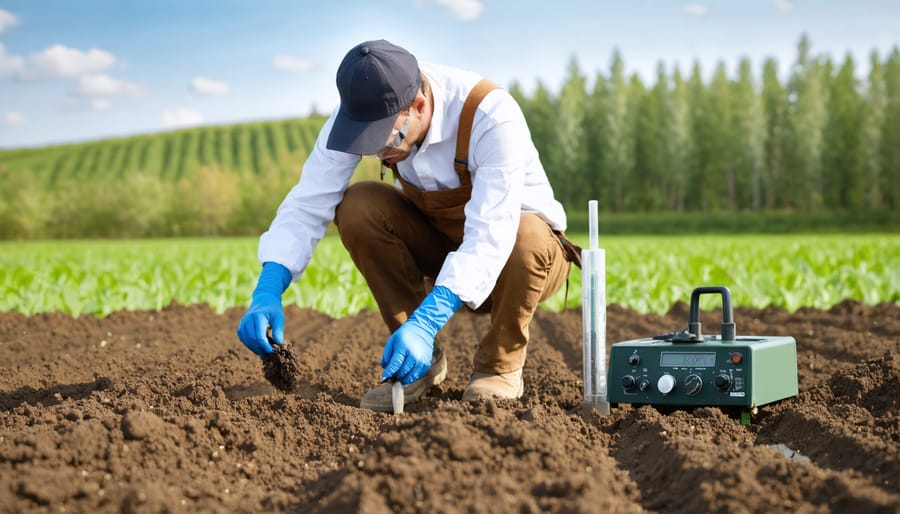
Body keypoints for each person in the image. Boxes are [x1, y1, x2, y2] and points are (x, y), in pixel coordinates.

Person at [236, 39, 579, 412]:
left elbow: (491, 233)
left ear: (418, 105)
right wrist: (269, 284)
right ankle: (419, 361)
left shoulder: (491, 116)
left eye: (387, 142)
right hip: (442, 245)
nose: (379, 154)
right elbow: (309, 200)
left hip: (523, 260)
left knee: (523, 233)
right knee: (358, 205)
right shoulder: (360, 112)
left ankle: (499, 367)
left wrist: (429, 318)